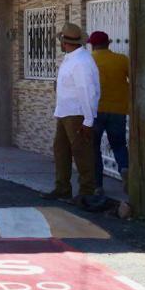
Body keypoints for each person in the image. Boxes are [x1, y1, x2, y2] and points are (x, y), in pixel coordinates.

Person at [41, 23, 100, 206]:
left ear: (65, 42)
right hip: (65, 112)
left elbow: (87, 91)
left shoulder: (81, 62)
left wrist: (88, 121)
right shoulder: (71, 58)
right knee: (61, 151)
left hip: (77, 114)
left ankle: (86, 193)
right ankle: (63, 188)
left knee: (82, 154)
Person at [88, 31, 130, 194]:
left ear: (92, 44)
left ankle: (97, 185)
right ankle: (124, 168)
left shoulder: (89, 61)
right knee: (119, 144)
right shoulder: (121, 59)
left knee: (93, 148)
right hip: (118, 110)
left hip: (95, 110)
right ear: (108, 43)